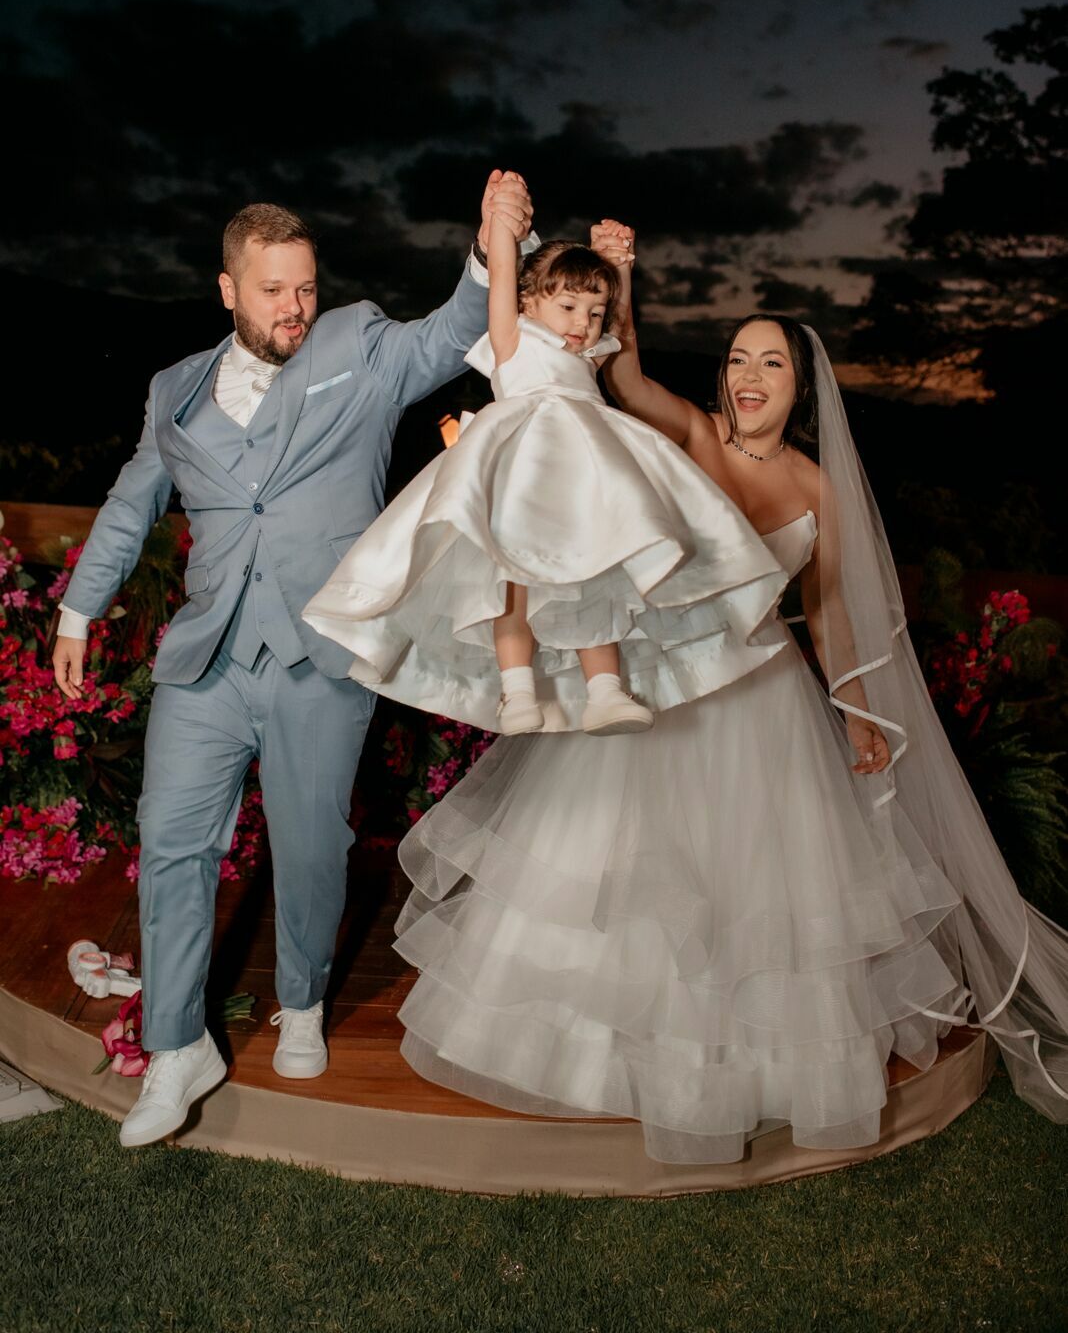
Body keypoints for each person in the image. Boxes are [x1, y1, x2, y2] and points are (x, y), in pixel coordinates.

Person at [389, 233, 1068, 1164]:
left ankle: (737, 1073)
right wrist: (623, 279)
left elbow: (825, 613)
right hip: (670, 684)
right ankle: (603, 1061)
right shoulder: (697, 440)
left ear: (800, 387)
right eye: (739, 358)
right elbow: (621, 377)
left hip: (769, 701)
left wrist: (857, 710)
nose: (751, 375)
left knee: (754, 897)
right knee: (625, 877)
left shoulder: (816, 487)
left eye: (772, 362)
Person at [50, 174, 533, 1148]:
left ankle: (303, 999)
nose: (294, 307)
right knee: (173, 839)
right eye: (273, 290)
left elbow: (447, 334)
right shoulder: (174, 389)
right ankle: (180, 1043)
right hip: (207, 658)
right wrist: (75, 609)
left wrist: (488, 250)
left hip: (320, 655)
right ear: (228, 289)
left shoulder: (356, 346)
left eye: (305, 286)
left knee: (311, 844)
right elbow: (126, 503)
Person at [302, 196, 789, 737]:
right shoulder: (513, 339)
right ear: (530, 302)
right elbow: (505, 284)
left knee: (593, 576)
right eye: (569, 307)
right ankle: (516, 693)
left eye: (593, 312)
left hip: (582, 483)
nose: (583, 323)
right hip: (517, 475)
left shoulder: (591, 354)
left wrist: (620, 268)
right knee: (509, 586)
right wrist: (502, 227)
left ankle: (605, 691)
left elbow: (621, 329)